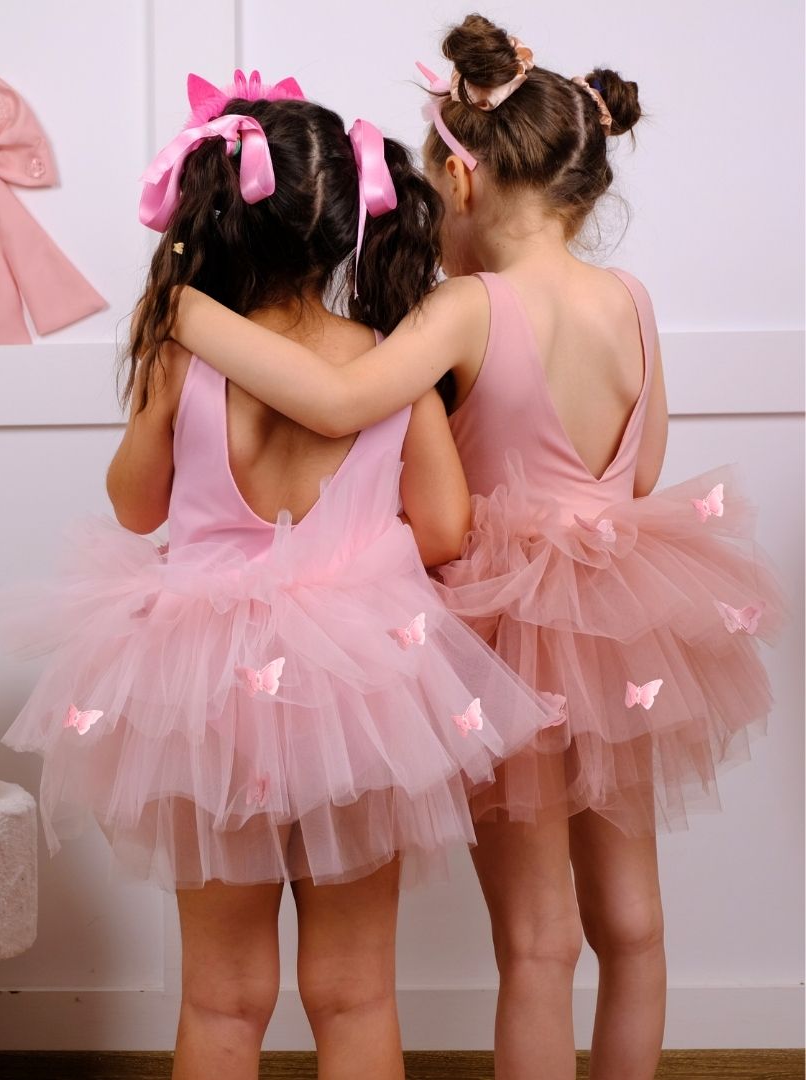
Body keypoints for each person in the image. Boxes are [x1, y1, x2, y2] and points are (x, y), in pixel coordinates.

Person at [168, 22, 784, 1080]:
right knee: (633, 923)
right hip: (628, 624)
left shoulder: (468, 308)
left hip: (510, 632)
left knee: (537, 939)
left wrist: (184, 313)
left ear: (459, 173)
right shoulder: (629, 299)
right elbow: (638, 476)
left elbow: (338, 394)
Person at [1, 69, 559, 1080]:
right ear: (344, 224)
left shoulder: (189, 357)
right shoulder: (385, 361)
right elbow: (443, 527)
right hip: (360, 682)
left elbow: (136, 507)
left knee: (222, 997)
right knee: (355, 993)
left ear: (217, 218)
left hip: (209, 687)